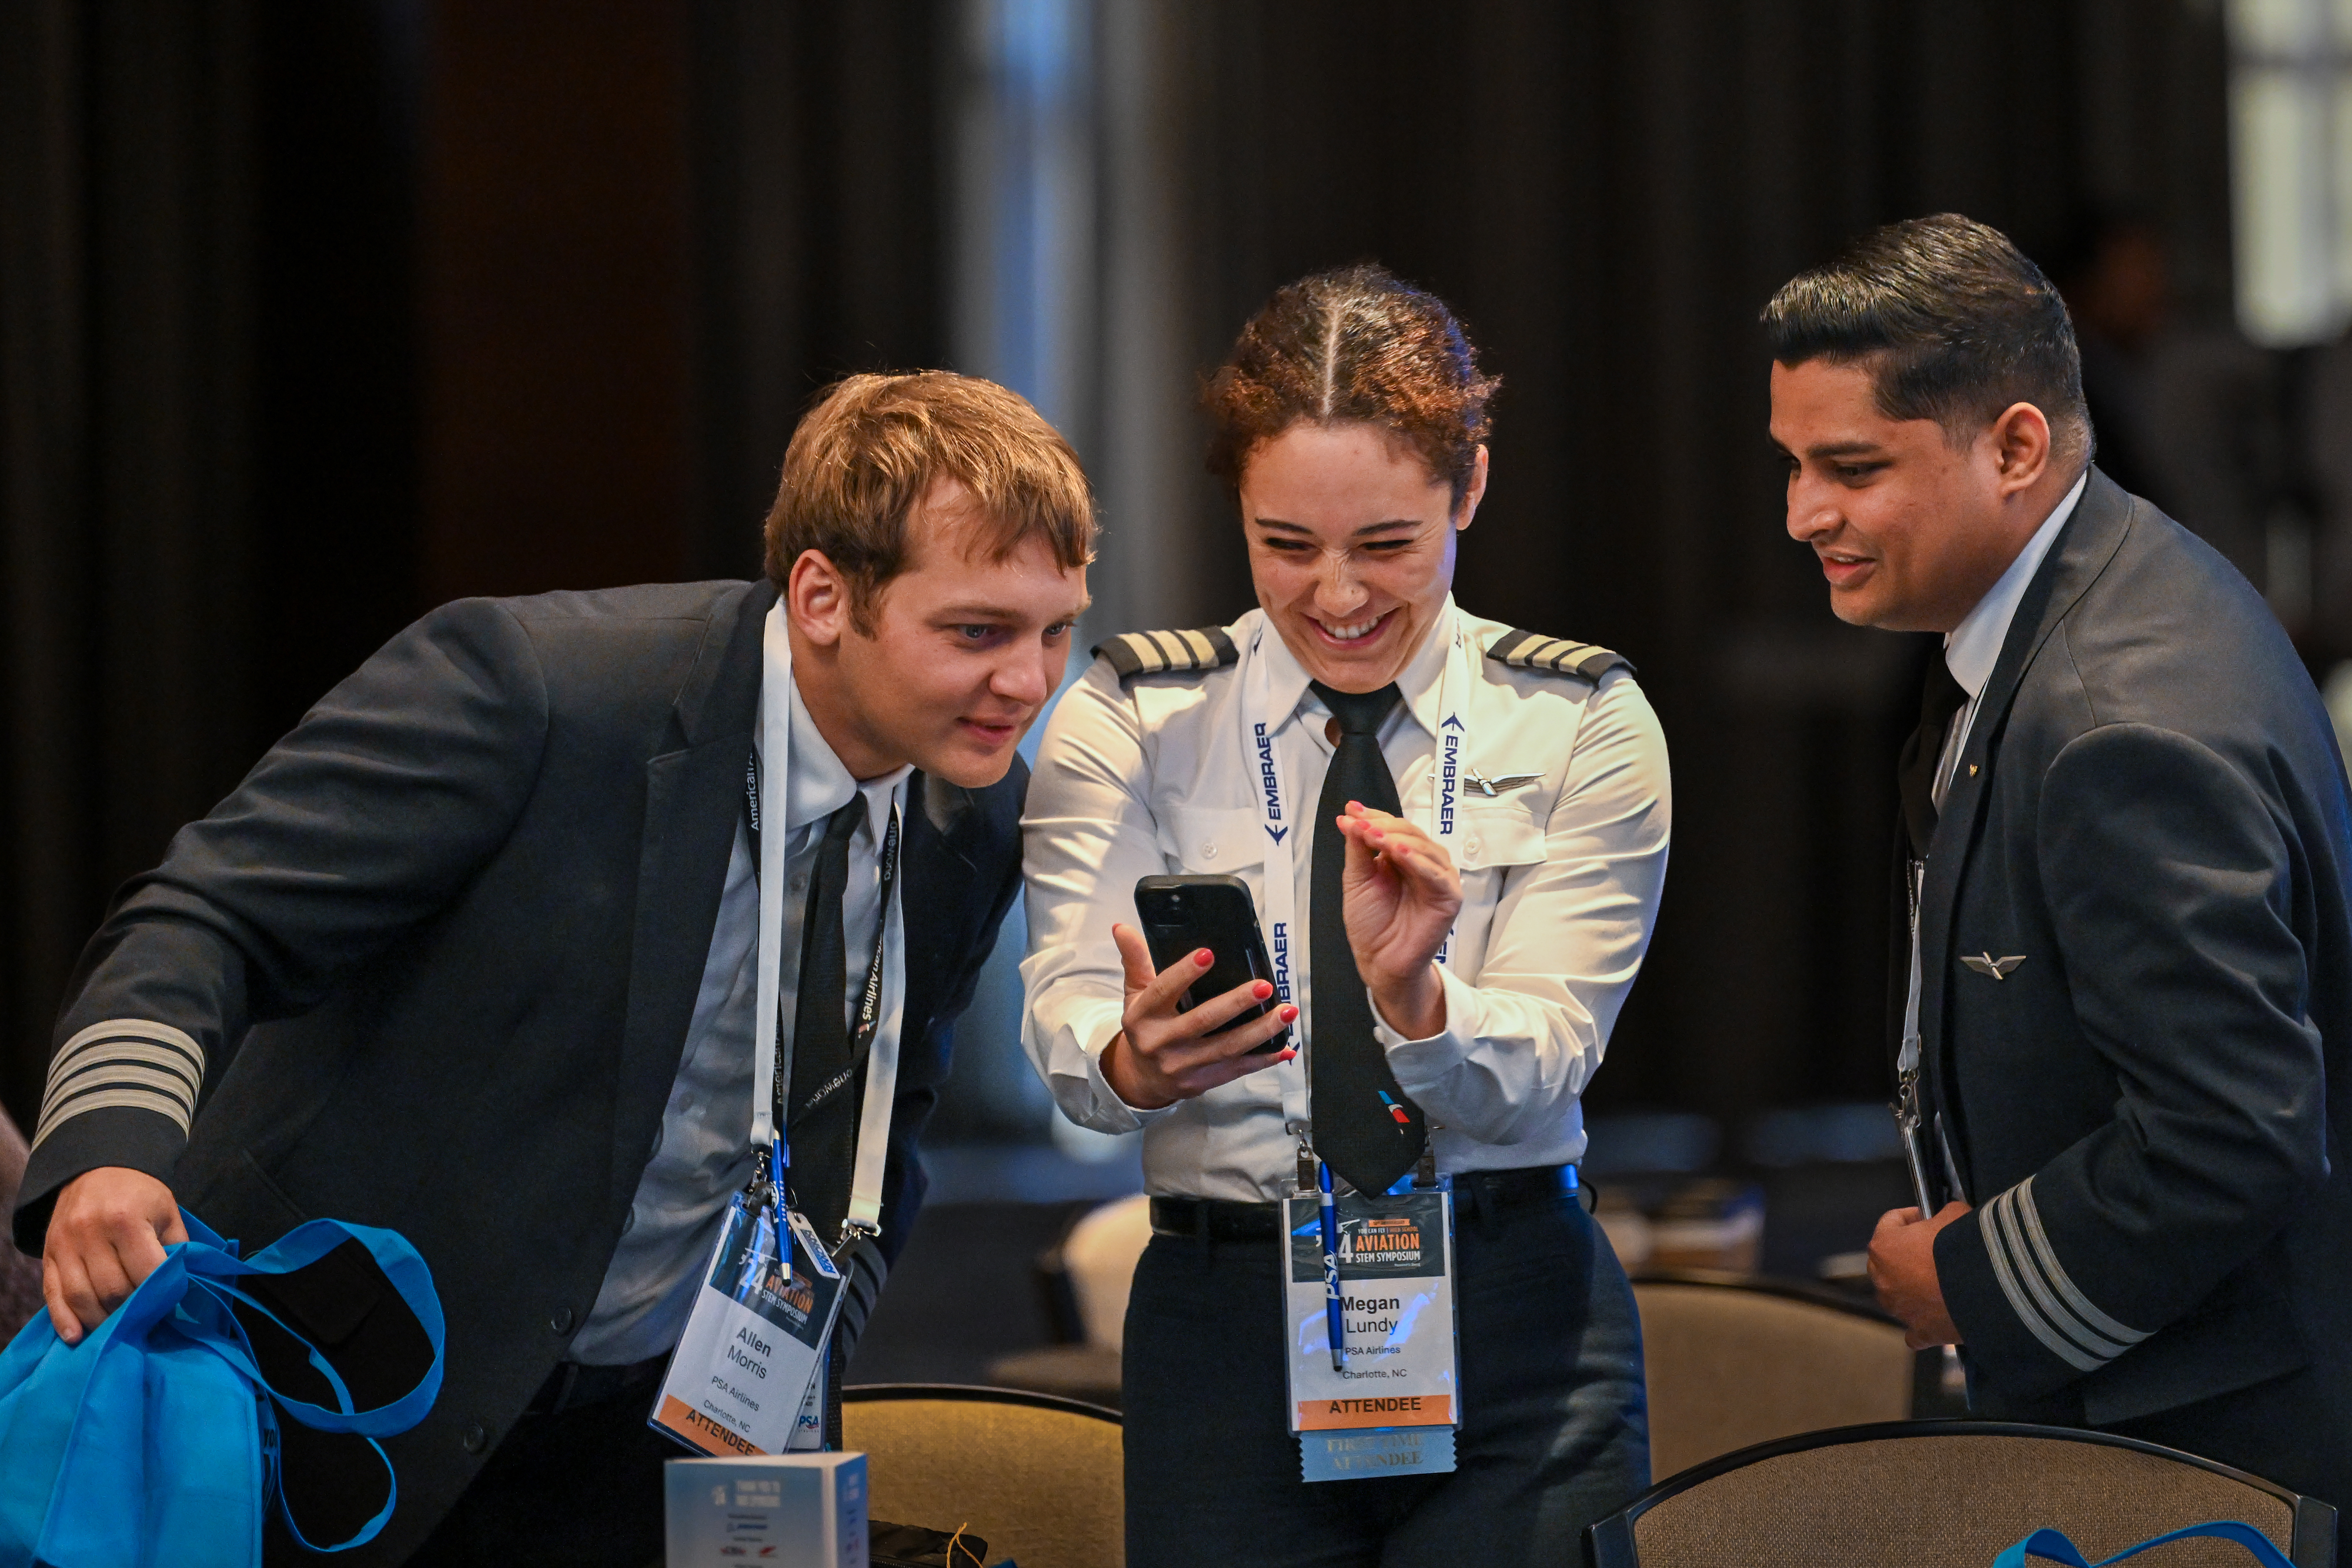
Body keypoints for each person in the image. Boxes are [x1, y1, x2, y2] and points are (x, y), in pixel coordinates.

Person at [13, 371, 1094, 1566]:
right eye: (977, 631)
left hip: (648, 1424)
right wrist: (111, 1145)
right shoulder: (542, 690)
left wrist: (802, 1347)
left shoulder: (976, 819)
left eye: (1056, 629)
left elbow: (893, 1113)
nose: (1029, 682)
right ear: (826, 596)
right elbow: (204, 916)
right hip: (335, 1391)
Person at [1021, 264, 1669, 1567]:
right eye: (1284, 544)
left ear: (1468, 488)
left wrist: (1416, 1003)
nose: (1335, 596)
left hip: (1513, 1312)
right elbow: (1066, 1021)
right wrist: (1132, 1058)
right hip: (1224, 1315)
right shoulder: (1133, 717)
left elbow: (1548, 1053)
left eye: (1385, 544)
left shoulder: (1580, 719)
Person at [1765, 214, 2352, 1524]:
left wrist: (1967, 1280)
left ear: (2015, 446)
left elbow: (2231, 1137)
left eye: (1850, 467)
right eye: (1794, 463)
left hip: (2199, 1445)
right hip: (2150, 1398)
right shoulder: (2093, 585)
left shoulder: (2111, 715)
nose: (1804, 513)